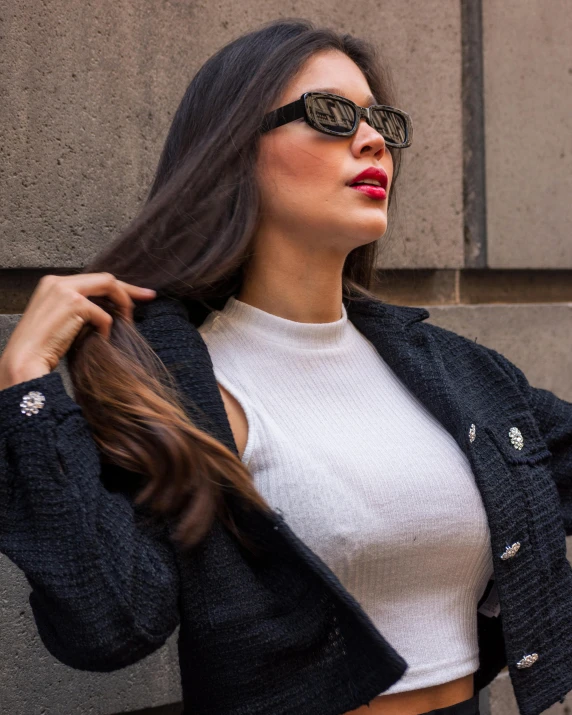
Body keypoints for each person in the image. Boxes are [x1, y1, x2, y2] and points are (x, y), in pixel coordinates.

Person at [0, 17, 571, 715]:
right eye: (332, 115)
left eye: (381, 122)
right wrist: (28, 387)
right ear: (235, 149)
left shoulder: (458, 373)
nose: (372, 141)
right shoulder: (178, 389)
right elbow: (109, 623)